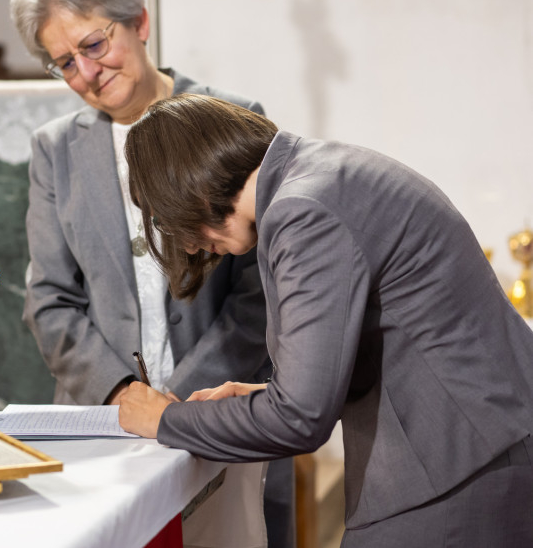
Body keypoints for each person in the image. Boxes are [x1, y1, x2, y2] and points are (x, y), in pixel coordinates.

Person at [119, 93, 533, 547]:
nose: (189, 245)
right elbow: (388, 342)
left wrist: (166, 419)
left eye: (169, 220)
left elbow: (299, 419)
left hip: (457, 472)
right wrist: (263, 395)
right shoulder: (318, 174)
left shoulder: (303, 211)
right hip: (476, 449)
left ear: (189, 187)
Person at [9, 0, 295, 547]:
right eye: (64, 63)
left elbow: (262, 288)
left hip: (219, 411)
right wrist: (123, 396)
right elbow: (49, 300)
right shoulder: (55, 148)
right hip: (105, 427)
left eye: (94, 45)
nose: (87, 73)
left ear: (139, 23)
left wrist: (176, 404)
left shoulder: (232, 115)